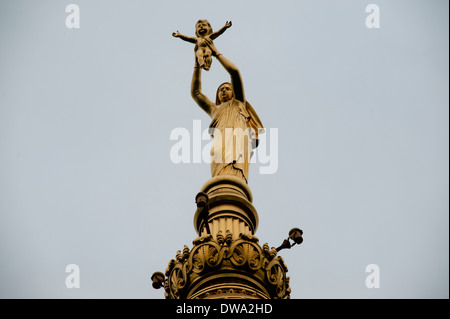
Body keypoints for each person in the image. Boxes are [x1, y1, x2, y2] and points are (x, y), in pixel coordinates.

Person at [190, 38, 264, 183]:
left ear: (234, 92)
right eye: (221, 90)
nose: (224, 91)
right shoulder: (214, 110)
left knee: (235, 171)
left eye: (227, 88)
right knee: (216, 156)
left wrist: (216, 53)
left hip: (238, 139)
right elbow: (196, 93)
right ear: (217, 96)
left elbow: (235, 72)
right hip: (220, 142)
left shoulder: (239, 102)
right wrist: (197, 64)